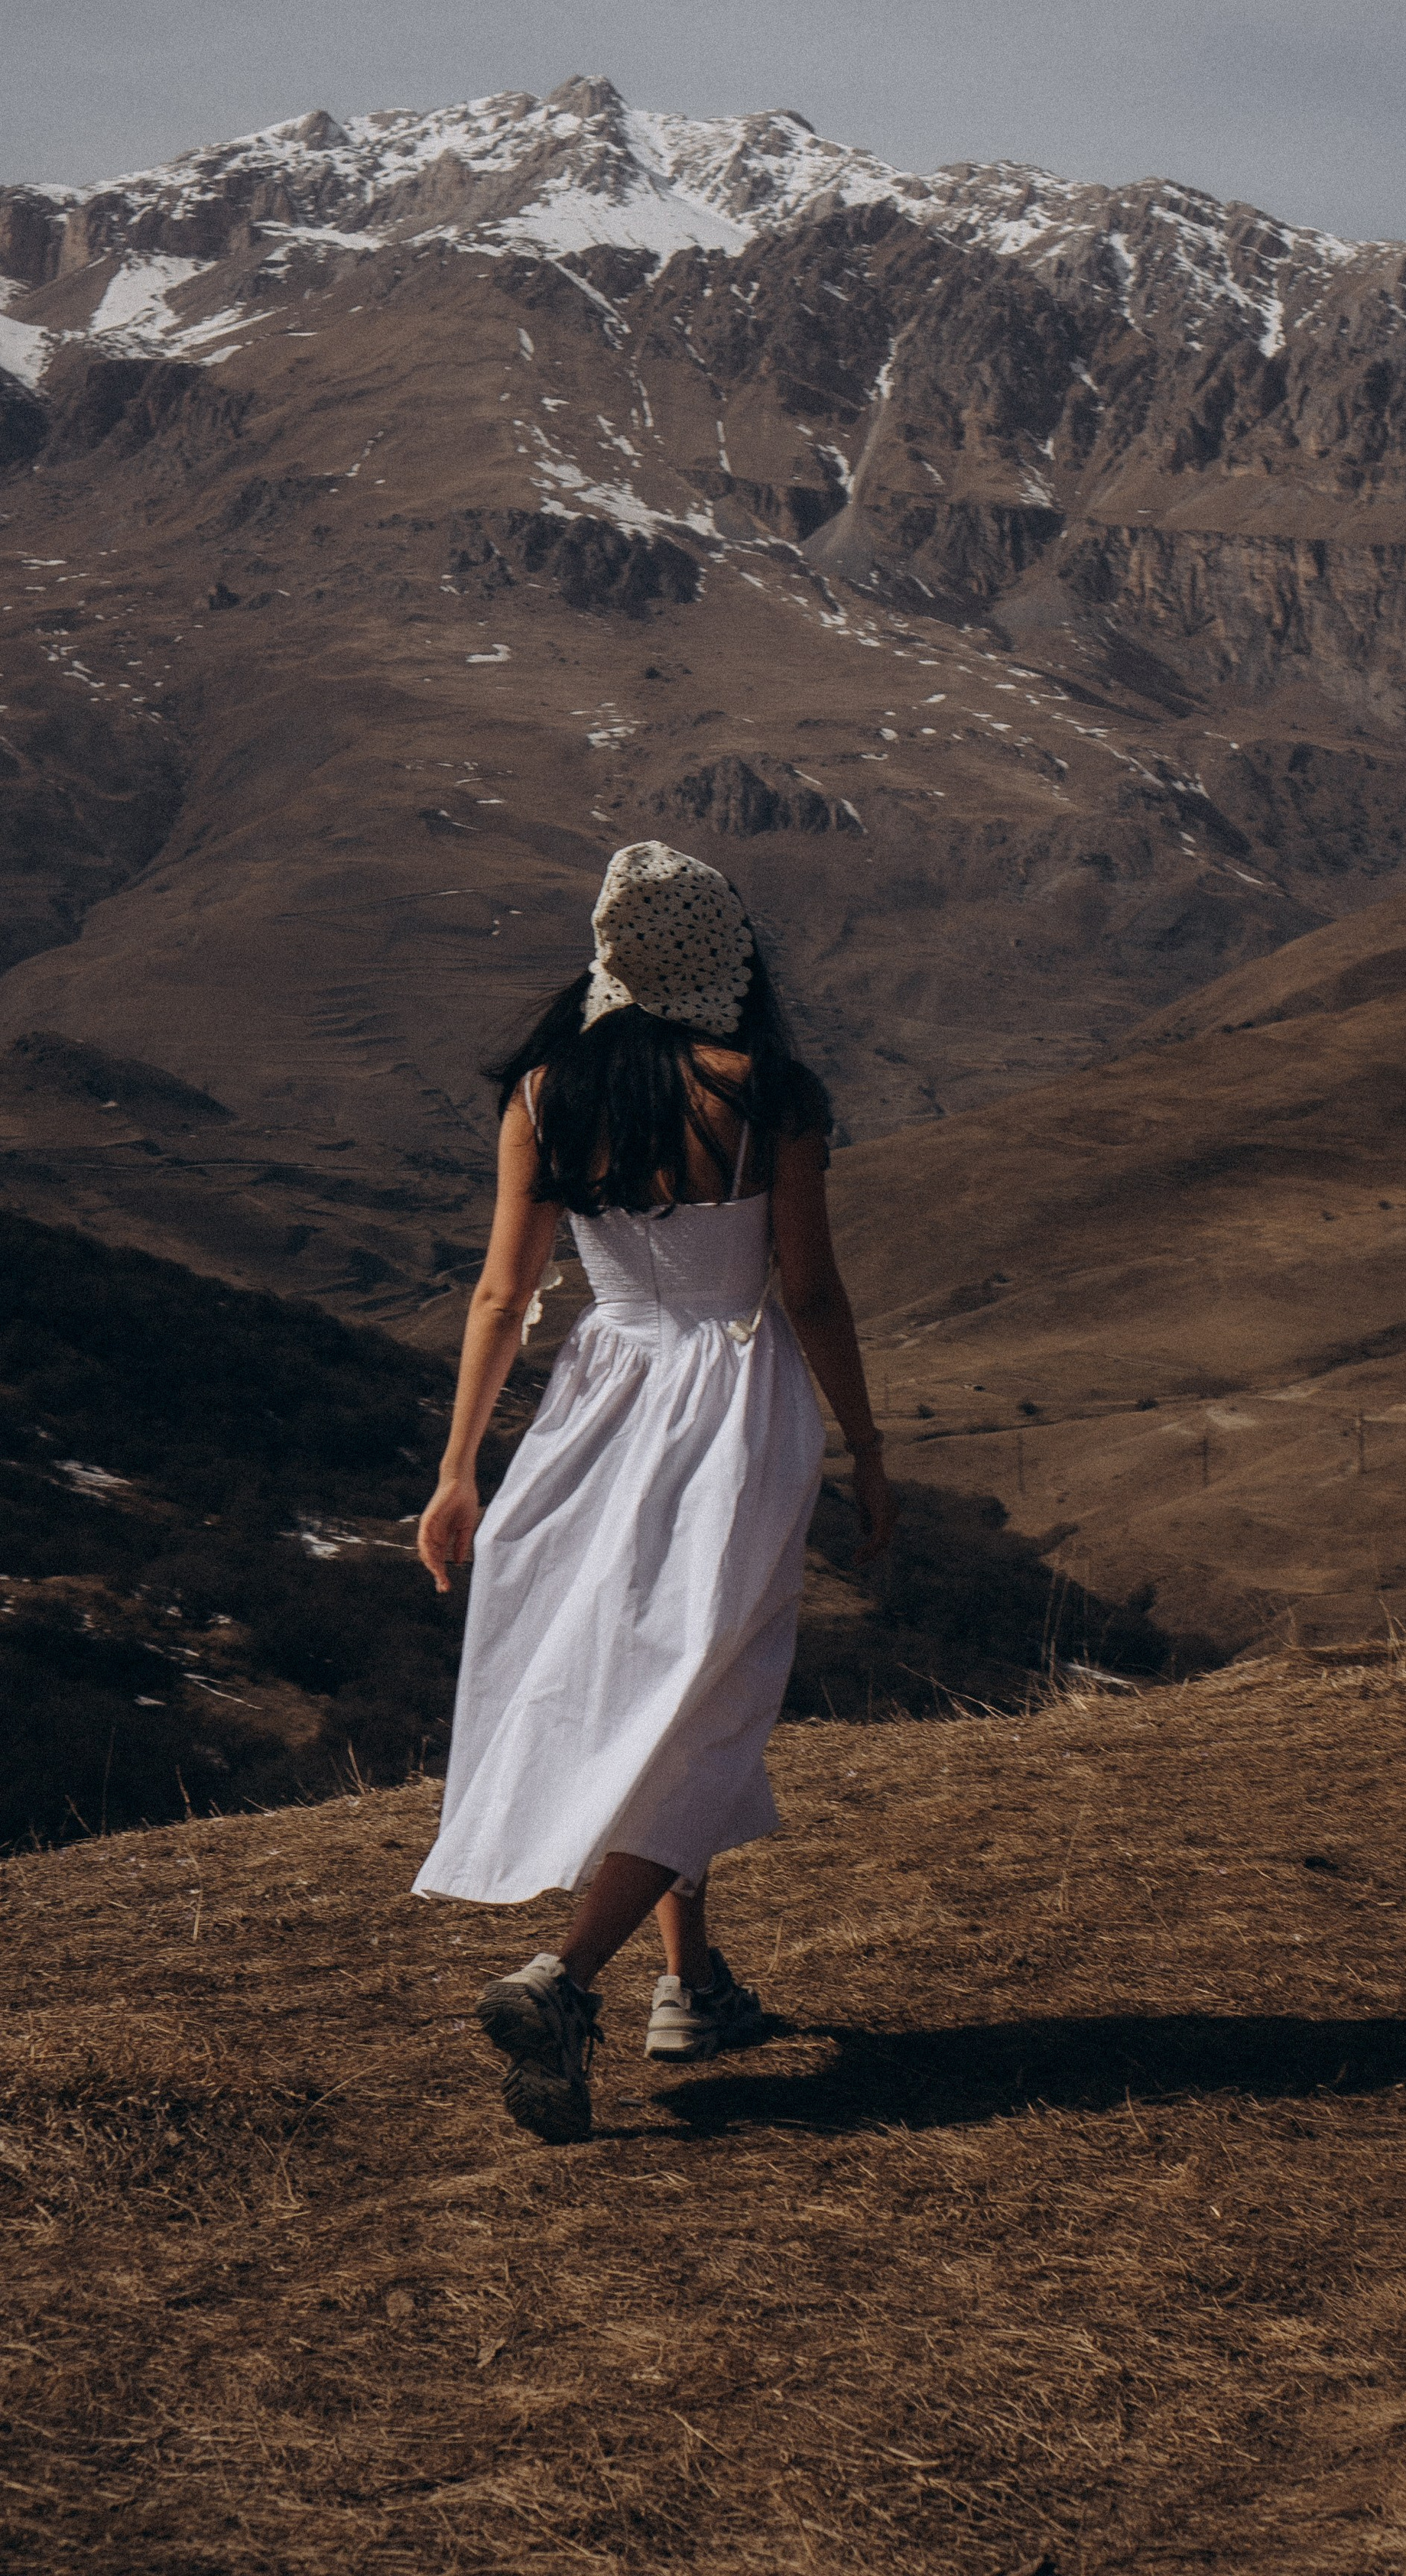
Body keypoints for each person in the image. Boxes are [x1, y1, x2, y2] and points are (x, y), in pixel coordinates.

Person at [413, 841, 894, 2143]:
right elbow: (810, 1292)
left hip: (598, 1401)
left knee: (654, 1687)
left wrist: (460, 1470)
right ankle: (565, 1981)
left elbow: (505, 1296)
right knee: (708, 1694)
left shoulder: (543, 1091)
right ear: (724, 956)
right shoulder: (768, 1093)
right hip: (735, 1402)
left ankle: (690, 1983)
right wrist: (868, 1446)